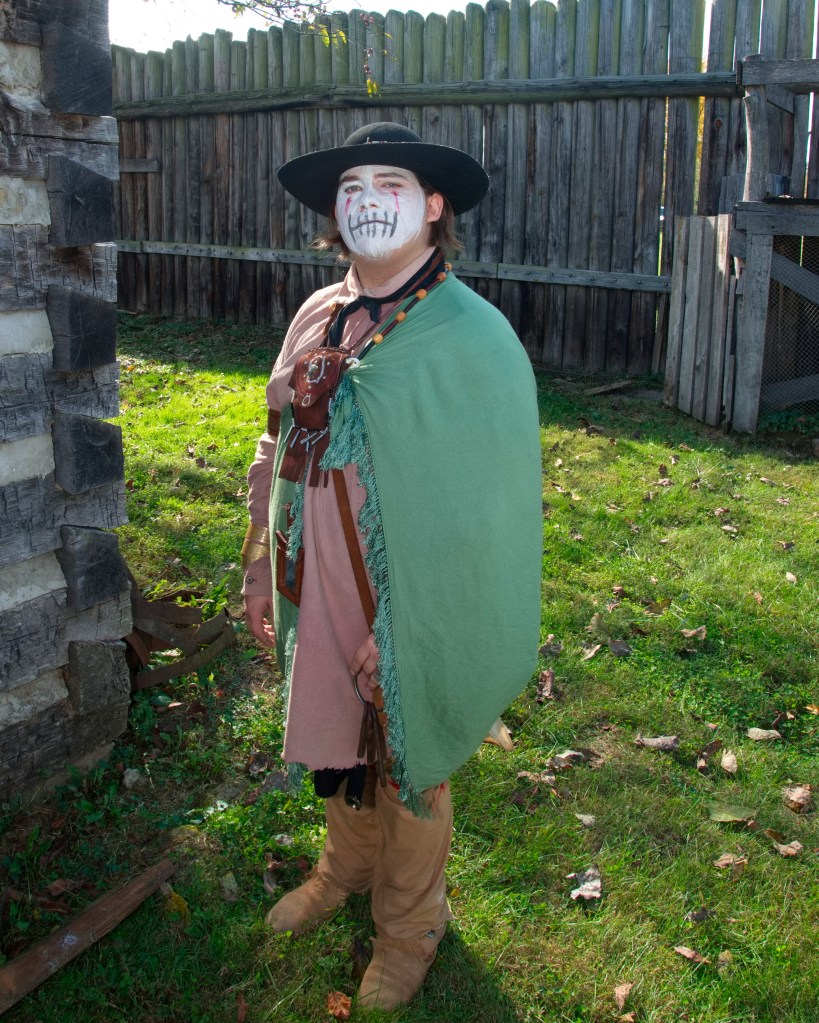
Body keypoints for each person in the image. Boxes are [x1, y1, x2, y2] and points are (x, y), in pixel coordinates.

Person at [242, 122, 542, 1010]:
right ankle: (345, 868)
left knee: (408, 754)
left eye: (391, 182)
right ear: (334, 213)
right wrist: (260, 565)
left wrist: (408, 627)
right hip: (314, 575)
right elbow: (275, 444)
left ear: (433, 206)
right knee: (338, 734)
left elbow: (484, 518)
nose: (367, 199)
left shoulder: (471, 337)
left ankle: (409, 927)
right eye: (351, 186)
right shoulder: (317, 314)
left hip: (410, 596)